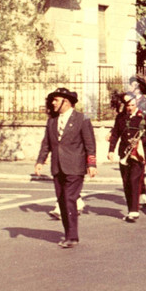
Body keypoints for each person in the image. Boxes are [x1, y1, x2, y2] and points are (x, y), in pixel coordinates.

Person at [34, 88, 97, 248]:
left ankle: (72, 236)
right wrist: (40, 161)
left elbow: (90, 143)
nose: (53, 103)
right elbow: (46, 143)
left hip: (75, 166)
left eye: (56, 100)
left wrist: (91, 163)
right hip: (57, 167)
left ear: (66, 101)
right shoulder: (52, 121)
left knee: (69, 198)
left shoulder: (82, 118)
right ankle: (69, 233)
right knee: (62, 200)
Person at [108, 93, 146, 222]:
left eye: (132, 105)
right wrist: (111, 150)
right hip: (124, 152)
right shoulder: (121, 117)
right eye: (128, 105)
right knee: (126, 182)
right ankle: (131, 209)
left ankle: (134, 211)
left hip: (138, 154)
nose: (130, 108)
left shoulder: (145, 117)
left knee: (134, 180)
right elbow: (115, 134)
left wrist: (142, 141)